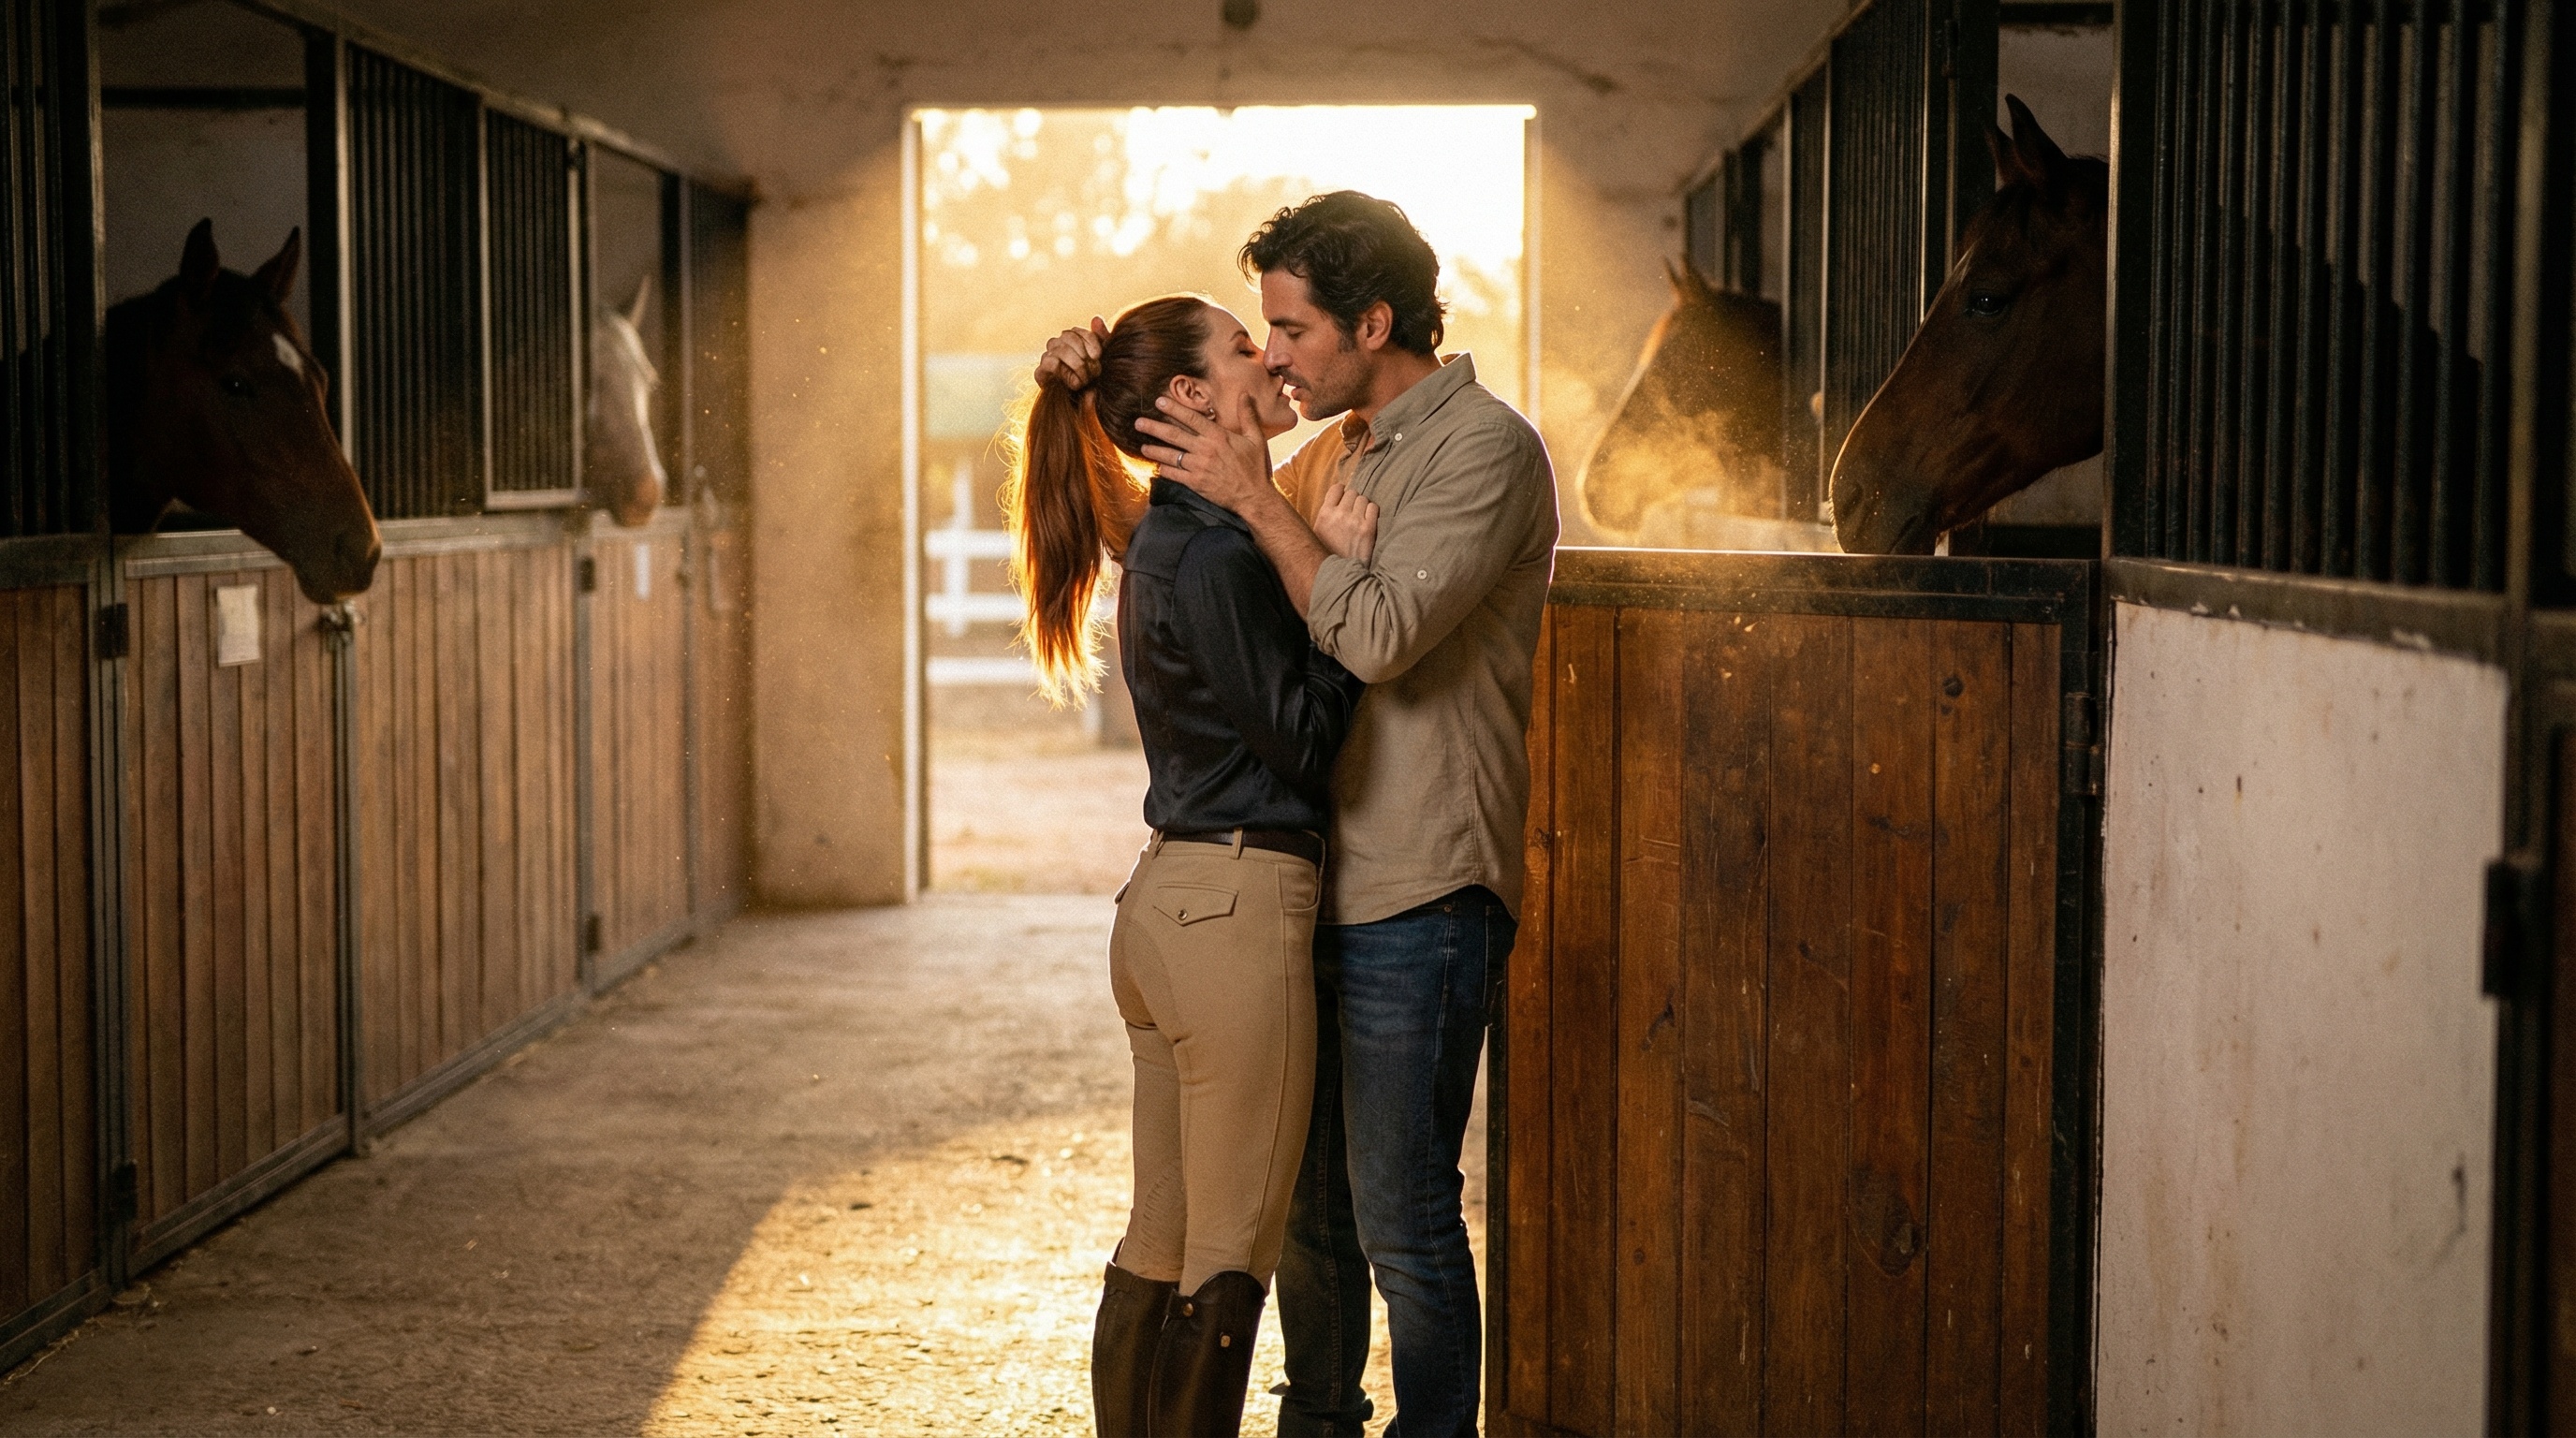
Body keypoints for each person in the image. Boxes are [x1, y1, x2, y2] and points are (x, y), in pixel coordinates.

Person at [1042, 191, 1559, 1438]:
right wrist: (1088, 392)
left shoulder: (1483, 450)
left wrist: (1272, 510)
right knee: (1307, 1221)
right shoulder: (1333, 450)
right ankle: (1318, 1423)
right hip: (1297, 889)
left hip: (1419, 887)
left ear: (1372, 322)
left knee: (1402, 1218)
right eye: (1258, 335)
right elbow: (1191, 541)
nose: (1273, 355)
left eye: (1289, 329)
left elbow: (1370, 633)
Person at [1007, 293, 1375, 1438]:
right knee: (1227, 1266)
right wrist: (1344, 592)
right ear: (1187, 397)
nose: (1265, 357)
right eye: (1235, 347)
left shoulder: (1170, 532)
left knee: (1156, 1247)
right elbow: (1305, 742)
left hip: (1165, 907)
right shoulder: (1215, 551)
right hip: (1235, 906)